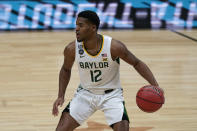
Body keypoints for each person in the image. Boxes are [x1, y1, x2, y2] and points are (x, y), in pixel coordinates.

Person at [52, 10, 163, 131]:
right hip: (85, 94)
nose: (76, 29)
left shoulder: (113, 47)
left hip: (112, 96)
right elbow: (65, 69)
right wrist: (60, 95)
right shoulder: (71, 49)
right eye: (76, 25)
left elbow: (136, 63)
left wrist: (155, 85)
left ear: (93, 28)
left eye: (81, 25)